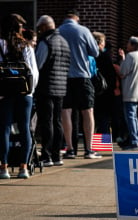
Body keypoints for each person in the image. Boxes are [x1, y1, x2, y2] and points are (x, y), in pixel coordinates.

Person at [59, 9, 102, 159]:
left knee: (66, 112)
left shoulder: (58, 31)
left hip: (63, 77)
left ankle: (70, 148)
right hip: (82, 75)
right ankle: (89, 149)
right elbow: (95, 53)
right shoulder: (83, 30)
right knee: (88, 111)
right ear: (77, 18)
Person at [0, 13, 39, 179]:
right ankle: (23, 167)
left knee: (4, 129)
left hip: (4, 93)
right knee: (25, 129)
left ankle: (4, 167)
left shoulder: (0, 45)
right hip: (25, 93)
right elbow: (34, 72)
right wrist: (30, 90)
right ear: (19, 28)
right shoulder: (27, 47)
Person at [35, 15, 70, 166]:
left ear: (44, 27)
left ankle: (46, 155)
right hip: (61, 87)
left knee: (46, 122)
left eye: (39, 28)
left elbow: (38, 65)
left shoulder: (46, 42)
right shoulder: (64, 42)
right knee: (57, 122)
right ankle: (57, 156)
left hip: (46, 87)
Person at [118, 36, 138, 150]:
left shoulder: (131, 56)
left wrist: (122, 59)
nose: (127, 45)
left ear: (133, 45)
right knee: (134, 117)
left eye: (129, 43)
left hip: (130, 91)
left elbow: (122, 72)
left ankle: (134, 142)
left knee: (130, 117)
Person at [92, 31, 116, 134]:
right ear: (100, 43)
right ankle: (102, 145)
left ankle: (92, 144)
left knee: (95, 118)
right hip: (105, 91)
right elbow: (111, 75)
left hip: (92, 90)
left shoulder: (90, 55)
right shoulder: (105, 57)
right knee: (104, 118)